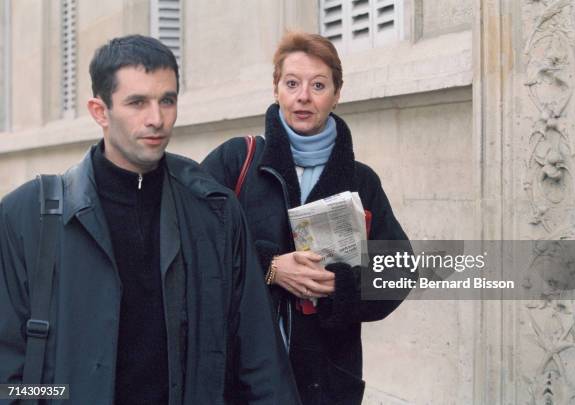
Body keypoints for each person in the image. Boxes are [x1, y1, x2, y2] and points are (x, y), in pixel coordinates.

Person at [0, 35, 299, 405]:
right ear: (99, 111)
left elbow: (259, 359)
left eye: (167, 101)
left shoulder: (215, 209)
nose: (156, 119)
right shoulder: (26, 216)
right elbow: (7, 376)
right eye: (137, 102)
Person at [201, 31, 412, 405]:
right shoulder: (238, 160)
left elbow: (399, 271)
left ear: (336, 93)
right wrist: (270, 268)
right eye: (292, 83)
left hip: (325, 381)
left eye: (318, 85)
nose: (303, 97)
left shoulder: (361, 180)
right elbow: (192, 244)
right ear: (276, 89)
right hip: (242, 376)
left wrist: (338, 286)